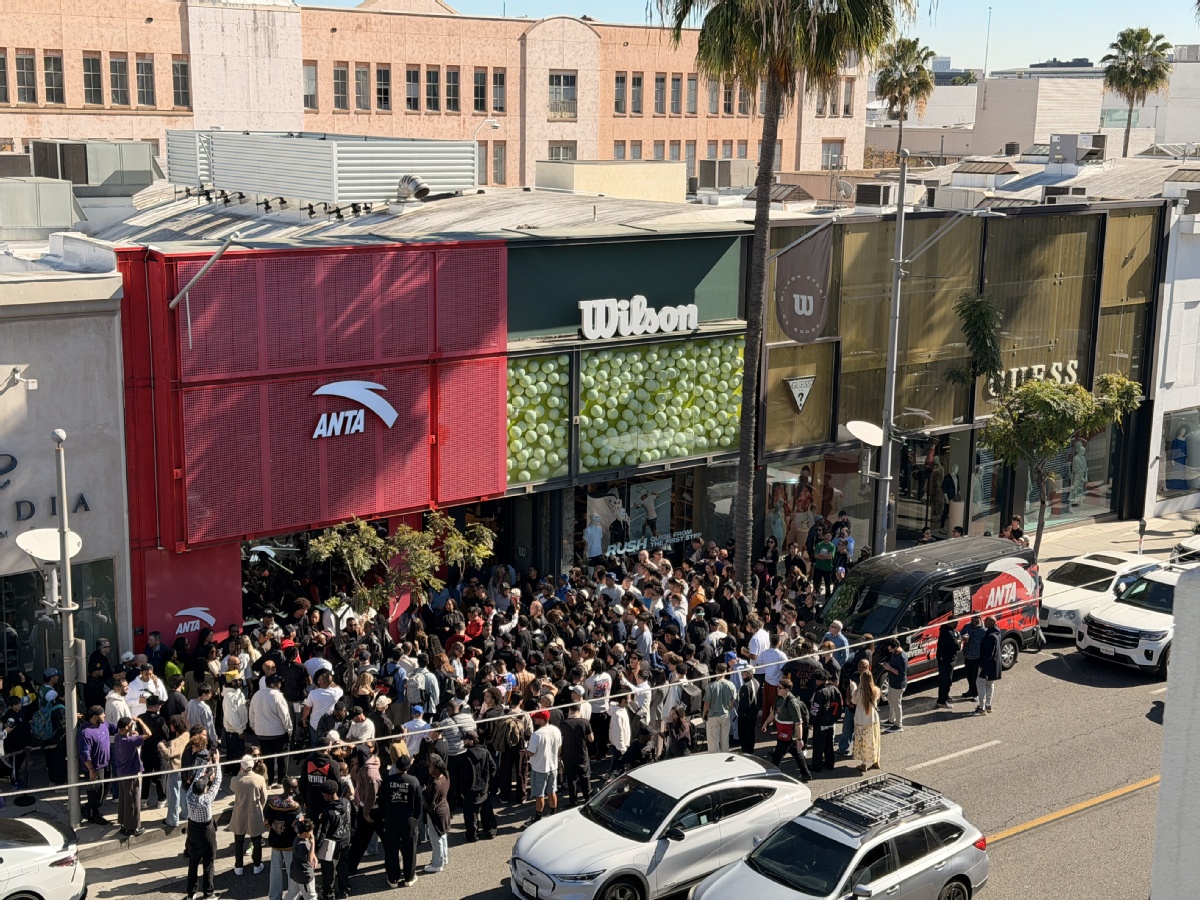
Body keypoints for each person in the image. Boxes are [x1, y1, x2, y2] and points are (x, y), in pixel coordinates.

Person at [380, 751, 423, 888]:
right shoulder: (414, 781)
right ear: (408, 767)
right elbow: (419, 803)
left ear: (396, 766)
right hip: (408, 819)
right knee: (409, 848)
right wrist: (415, 819)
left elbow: (381, 801)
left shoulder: (387, 780)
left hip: (391, 819)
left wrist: (384, 817)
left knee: (391, 848)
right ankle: (409, 877)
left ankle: (393, 878)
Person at [184, 750, 222, 900]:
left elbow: (196, 778)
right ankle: (208, 893)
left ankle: (191, 893)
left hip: (193, 831)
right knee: (208, 862)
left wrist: (205, 762)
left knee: (193, 862)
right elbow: (217, 781)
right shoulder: (206, 800)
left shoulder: (189, 795)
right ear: (205, 789)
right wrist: (217, 762)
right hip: (207, 832)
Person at [761, 677, 810, 782]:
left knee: (777, 756)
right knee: (797, 753)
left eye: (780, 688)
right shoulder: (778, 699)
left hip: (788, 734)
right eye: (777, 687)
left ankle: (773, 775)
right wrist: (766, 723)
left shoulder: (792, 703)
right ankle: (805, 774)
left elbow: (798, 723)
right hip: (783, 732)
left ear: (787, 689)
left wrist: (800, 739)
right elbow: (774, 713)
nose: (777, 689)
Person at [250, 672, 293, 786]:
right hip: (278, 733)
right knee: (282, 758)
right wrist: (289, 729)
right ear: (273, 684)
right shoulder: (277, 696)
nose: (280, 685)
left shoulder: (256, 695)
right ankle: (281, 781)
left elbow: (251, 713)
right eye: (278, 683)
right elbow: (284, 715)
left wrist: (254, 726)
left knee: (267, 758)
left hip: (261, 733)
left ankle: (269, 781)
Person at [78, 705, 117, 825]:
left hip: (106, 763)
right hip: (95, 768)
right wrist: (91, 770)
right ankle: (93, 814)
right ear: (95, 717)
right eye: (102, 714)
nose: (104, 715)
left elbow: (114, 728)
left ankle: (89, 807)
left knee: (105, 789)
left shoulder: (104, 724)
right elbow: (84, 753)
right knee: (95, 792)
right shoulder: (86, 732)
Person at [230, 754, 268, 876]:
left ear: (241, 766)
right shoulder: (259, 779)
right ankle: (257, 865)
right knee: (256, 840)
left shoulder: (235, 780)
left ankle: (238, 866)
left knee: (238, 840)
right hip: (254, 811)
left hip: (239, 812)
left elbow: (232, 788)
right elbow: (264, 797)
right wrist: (260, 808)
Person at [314, 779, 352, 900]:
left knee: (328, 870)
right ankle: (344, 889)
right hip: (345, 839)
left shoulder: (328, 811)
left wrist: (316, 848)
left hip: (331, 845)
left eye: (324, 794)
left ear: (328, 794)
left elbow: (322, 832)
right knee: (343, 866)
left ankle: (329, 894)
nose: (323, 796)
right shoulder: (346, 802)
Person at [265, 777, 301, 900]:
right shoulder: (294, 806)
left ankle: (274, 896)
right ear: (291, 789)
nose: (297, 789)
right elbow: (298, 826)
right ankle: (292, 897)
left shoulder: (273, 801)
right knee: (291, 871)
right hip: (289, 843)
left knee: (275, 870)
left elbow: (267, 821)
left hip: (275, 841)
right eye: (295, 787)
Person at [112, 715, 149, 837]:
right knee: (133, 800)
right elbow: (148, 734)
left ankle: (124, 823)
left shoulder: (118, 738)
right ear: (127, 726)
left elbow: (127, 736)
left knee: (124, 799)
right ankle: (133, 826)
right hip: (131, 773)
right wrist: (140, 721)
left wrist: (132, 733)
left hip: (121, 772)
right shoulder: (130, 742)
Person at [524, 709, 561, 825]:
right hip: (553, 766)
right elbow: (559, 746)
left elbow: (531, 753)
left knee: (539, 795)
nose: (535, 719)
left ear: (542, 719)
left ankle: (537, 818)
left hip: (539, 768)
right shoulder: (556, 730)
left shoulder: (537, 735)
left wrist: (526, 750)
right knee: (552, 791)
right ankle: (553, 813)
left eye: (537, 718)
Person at [461, 730, 497, 841]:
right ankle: (489, 831)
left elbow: (463, 776)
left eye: (465, 740)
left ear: (471, 741)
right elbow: (493, 767)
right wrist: (489, 782)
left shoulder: (465, 756)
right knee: (486, 810)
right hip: (485, 787)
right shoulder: (485, 752)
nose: (463, 742)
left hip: (471, 789)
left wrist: (462, 791)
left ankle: (472, 835)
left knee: (471, 814)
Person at [850, 659, 882, 773]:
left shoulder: (859, 692)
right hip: (873, 719)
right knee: (874, 740)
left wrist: (854, 688)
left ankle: (864, 764)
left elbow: (853, 701)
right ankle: (876, 760)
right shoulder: (876, 690)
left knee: (862, 742)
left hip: (860, 720)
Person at [422, 753, 451, 874]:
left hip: (436, 813)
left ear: (437, 768)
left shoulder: (436, 784)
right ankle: (443, 858)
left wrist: (424, 793)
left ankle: (437, 864)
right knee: (442, 835)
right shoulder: (446, 776)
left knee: (435, 838)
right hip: (444, 809)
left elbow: (429, 802)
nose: (429, 768)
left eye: (431, 766)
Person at [809, 670, 842, 773]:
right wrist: (835, 718)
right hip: (831, 722)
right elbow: (840, 705)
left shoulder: (820, 693)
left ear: (819, 680)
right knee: (829, 744)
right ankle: (830, 763)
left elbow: (816, 709)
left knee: (818, 745)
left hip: (821, 723)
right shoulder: (835, 689)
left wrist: (811, 721)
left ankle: (816, 766)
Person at [701, 662, 736, 753]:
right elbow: (733, 700)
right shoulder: (731, 685)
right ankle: (724, 756)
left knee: (713, 741)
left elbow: (707, 703)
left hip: (713, 715)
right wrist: (729, 708)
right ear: (726, 671)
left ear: (716, 671)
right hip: (725, 714)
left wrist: (704, 714)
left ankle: (714, 759)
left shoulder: (711, 686)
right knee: (725, 739)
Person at [976, 616, 1002, 715]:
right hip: (994, 666)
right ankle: (988, 705)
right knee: (990, 684)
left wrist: (982, 665)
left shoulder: (990, 636)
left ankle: (982, 708)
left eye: (986, 621)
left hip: (987, 666)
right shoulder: (997, 633)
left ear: (991, 623)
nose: (984, 622)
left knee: (980, 683)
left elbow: (989, 654)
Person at [879, 639, 908, 732]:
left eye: (890, 649)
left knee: (896, 704)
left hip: (898, 685)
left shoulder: (902, 658)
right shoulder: (895, 653)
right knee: (891, 702)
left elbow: (901, 674)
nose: (890, 651)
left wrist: (889, 668)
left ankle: (898, 725)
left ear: (895, 647)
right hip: (892, 683)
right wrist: (887, 665)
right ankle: (891, 720)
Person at [288, 816, 319, 900]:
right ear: (305, 833)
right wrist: (313, 843)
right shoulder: (303, 845)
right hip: (304, 877)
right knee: (311, 896)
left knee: (291, 894)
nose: (312, 833)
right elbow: (309, 860)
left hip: (295, 873)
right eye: (310, 831)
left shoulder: (297, 839)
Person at [935, 620, 961, 708]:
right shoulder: (948, 633)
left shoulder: (946, 630)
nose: (957, 625)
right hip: (947, 660)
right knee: (945, 681)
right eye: (956, 623)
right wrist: (959, 640)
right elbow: (956, 646)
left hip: (945, 659)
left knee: (946, 679)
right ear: (951, 622)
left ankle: (945, 696)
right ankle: (941, 701)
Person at [960, 615, 986, 702]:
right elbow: (961, 633)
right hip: (967, 655)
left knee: (975, 677)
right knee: (968, 675)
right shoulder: (967, 626)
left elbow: (985, 644)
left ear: (980, 618)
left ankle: (976, 694)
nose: (974, 619)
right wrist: (963, 637)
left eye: (976, 617)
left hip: (977, 657)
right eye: (973, 617)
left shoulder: (983, 630)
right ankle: (971, 690)